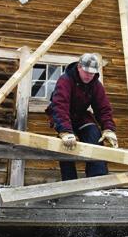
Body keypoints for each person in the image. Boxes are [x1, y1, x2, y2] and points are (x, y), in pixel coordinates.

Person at [45, 53, 118, 181]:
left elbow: (103, 108)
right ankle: (69, 181)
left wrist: (109, 129)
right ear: (79, 67)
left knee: (94, 134)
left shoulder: (96, 85)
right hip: (64, 115)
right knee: (66, 144)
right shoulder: (65, 80)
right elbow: (60, 105)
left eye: (92, 73)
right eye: (86, 72)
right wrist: (65, 131)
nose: (89, 76)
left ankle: (98, 179)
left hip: (81, 116)